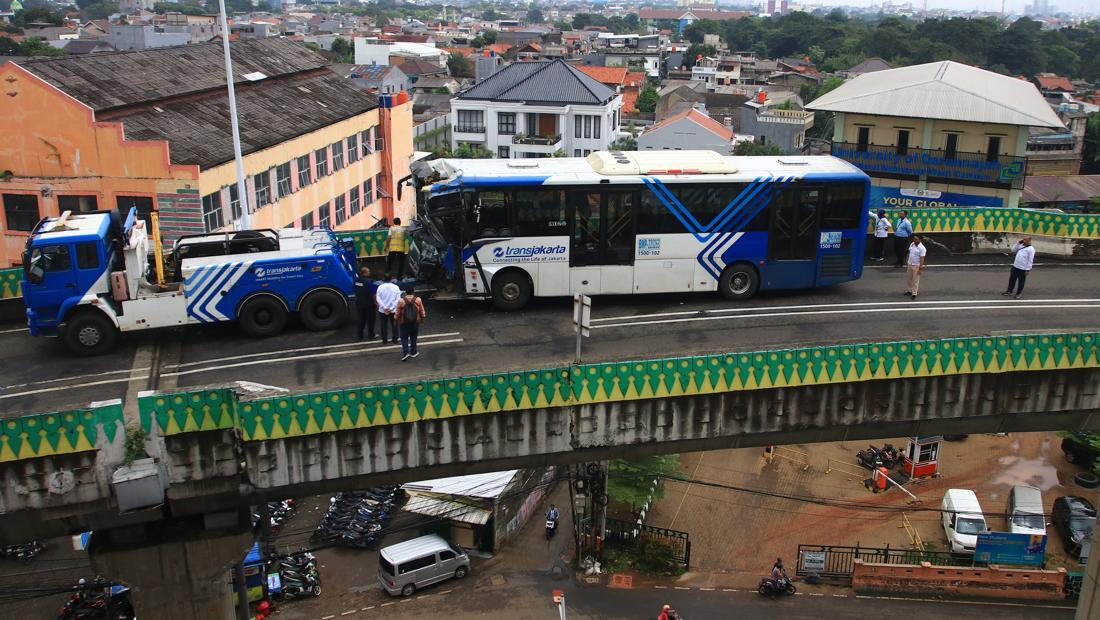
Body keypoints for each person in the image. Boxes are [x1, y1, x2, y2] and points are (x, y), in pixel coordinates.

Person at [394, 284, 426, 361]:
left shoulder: (401, 301)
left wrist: (395, 319)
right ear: (413, 291)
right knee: (414, 337)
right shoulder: (418, 300)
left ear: (405, 292)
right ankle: (414, 351)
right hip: (415, 322)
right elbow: (422, 311)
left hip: (404, 323)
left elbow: (397, 313)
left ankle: (406, 352)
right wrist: (422, 318)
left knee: (404, 337)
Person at [374, 276, 401, 345]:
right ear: (391, 279)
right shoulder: (396, 287)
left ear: (383, 279)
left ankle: (384, 341)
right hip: (393, 310)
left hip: (383, 310)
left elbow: (378, 298)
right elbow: (398, 300)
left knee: (384, 325)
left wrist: (384, 307)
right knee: (394, 325)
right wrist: (391, 308)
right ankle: (395, 339)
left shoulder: (380, 287)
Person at [353, 266, 377, 340]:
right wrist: (376, 303)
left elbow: (355, 290)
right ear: (365, 273)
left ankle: (360, 336)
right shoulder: (370, 282)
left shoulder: (356, 281)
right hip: (369, 305)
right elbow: (374, 294)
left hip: (360, 304)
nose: (370, 272)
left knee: (361, 321)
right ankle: (371, 335)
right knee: (370, 321)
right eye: (368, 271)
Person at [903, 234, 927, 300]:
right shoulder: (912, 244)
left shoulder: (922, 248)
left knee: (915, 280)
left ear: (920, 240)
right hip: (910, 264)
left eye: (916, 239)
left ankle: (914, 293)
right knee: (909, 279)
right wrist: (907, 261)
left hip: (916, 265)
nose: (914, 240)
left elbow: (922, 258)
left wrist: (920, 268)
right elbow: (909, 253)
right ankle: (909, 290)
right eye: (914, 239)